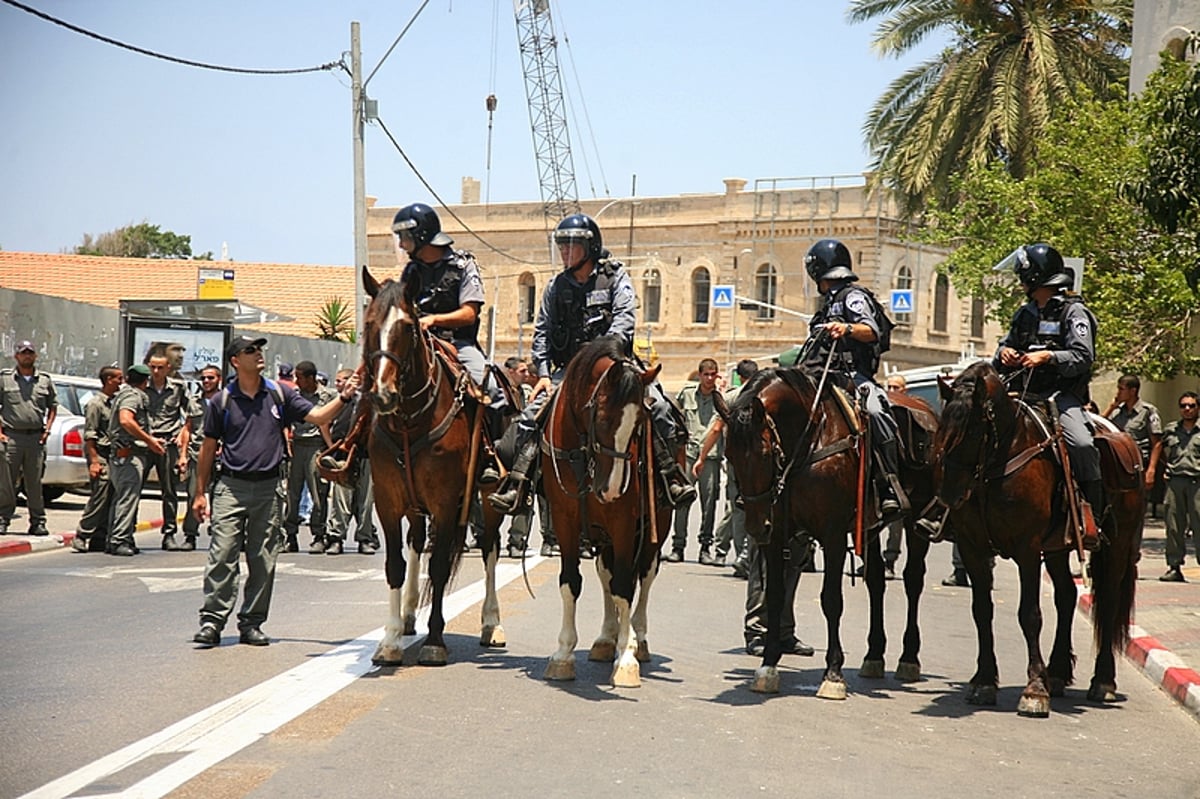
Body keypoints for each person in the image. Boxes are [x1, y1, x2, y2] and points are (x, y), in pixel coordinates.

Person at [489, 213, 696, 515]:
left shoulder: (614, 277)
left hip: (614, 368)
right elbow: (542, 332)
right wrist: (544, 375)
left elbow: (624, 321)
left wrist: (603, 360)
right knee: (530, 419)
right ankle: (518, 485)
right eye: (561, 246)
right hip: (568, 374)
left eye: (571, 246)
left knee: (661, 406)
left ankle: (670, 478)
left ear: (590, 247)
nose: (565, 252)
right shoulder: (555, 287)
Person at [191, 336, 360, 648]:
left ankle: (252, 623)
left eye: (259, 350)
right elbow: (208, 447)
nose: (258, 355)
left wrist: (345, 397)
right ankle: (212, 622)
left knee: (263, 558)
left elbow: (319, 417)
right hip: (230, 486)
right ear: (235, 361)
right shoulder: (221, 402)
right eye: (250, 351)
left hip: (269, 488)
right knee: (221, 554)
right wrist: (200, 493)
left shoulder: (279, 394)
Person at [800, 239, 907, 522]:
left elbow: (870, 330)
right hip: (821, 377)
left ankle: (888, 486)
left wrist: (845, 327)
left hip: (854, 379)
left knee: (876, 411)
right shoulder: (825, 305)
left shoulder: (852, 296)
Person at [107, 364, 167, 556]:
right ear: (145, 381)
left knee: (122, 498)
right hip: (128, 456)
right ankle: (119, 540)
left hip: (125, 455)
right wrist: (149, 441)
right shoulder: (132, 396)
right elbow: (126, 420)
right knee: (127, 499)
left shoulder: (126, 393)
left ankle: (116, 537)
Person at [0, 340, 58, 536]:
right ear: (16, 356)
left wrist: (47, 430)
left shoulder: (44, 380)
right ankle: (3, 519)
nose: (27, 356)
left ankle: (38, 522)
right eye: (23, 353)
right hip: (12, 437)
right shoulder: (6, 379)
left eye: (30, 353)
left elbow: (53, 406)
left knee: (34, 483)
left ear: (35, 356)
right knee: (7, 483)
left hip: (35, 438)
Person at [668, 358, 723, 565]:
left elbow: (718, 429)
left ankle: (705, 547)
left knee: (709, 505)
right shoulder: (687, 394)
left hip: (710, 458)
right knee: (682, 501)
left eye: (713, 374)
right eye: (706, 374)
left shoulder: (721, 398)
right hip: (688, 455)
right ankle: (678, 546)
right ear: (699, 375)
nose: (710, 378)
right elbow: (676, 416)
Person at [711, 359, 759, 576]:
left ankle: (742, 556)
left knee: (738, 508)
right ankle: (750, 556)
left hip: (736, 463)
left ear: (739, 376)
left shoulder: (731, 397)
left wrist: (702, 456)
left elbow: (716, 428)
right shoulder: (767, 394)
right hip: (760, 461)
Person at [284, 361, 337, 554]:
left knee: (318, 493)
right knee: (292, 494)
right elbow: (286, 421)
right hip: (297, 446)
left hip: (316, 447)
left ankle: (319, 535)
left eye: (300, 377)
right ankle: (290, 535)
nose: (297, 381)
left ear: (311, 378)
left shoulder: (329, 396)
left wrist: (331, 448)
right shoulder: (295, 396)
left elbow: (335, 421)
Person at [325, 368, 379, 555]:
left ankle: (365, 538)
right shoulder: (341, 400)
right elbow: (325, 422)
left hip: (366, 456)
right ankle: (336, 538)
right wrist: (332, 447)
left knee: (366, 501)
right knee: (341, 500)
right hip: (343, 456)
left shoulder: (372, 402)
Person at [72, 366, 124, 552]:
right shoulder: (96, 404)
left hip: (113, 455)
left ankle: (99, 537)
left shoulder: (115, 402)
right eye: (118, 378)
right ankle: (82, 533)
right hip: (99, 453)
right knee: (100, 495)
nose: (121, 382)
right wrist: (94, 461)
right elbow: (90, 435)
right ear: (109, 380)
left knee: (111, 495)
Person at [144, 352, 192, 550]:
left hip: (167, 443)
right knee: (134, 488)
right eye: (153, 367)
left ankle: (169, 533)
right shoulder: (141, 387)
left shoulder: (178, 389)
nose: (156, 371)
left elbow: (190, 413)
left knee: (169, 491)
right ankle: (125, 532)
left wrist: (181, 433)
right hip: (145, 442)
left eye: (160, 368)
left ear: (168, 369)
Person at [180, 363, 224, 550]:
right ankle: (190, 535)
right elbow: (187, 428)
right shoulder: (194, 402)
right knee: (194, 494)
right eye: (203, 378)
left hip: (222, 456)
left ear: (219, 379)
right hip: (197, 453)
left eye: (210, 378)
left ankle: (218, 533)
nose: (206, 381)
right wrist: (183, 455)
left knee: (220, 497)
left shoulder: (227, 401)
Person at [1159, 391, 1200, 582]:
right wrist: (1162, 468)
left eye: (1191, 405)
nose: (1187, 409)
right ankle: (1174, 566)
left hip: (1197, 483)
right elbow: (1159, 447)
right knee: (1174, 525)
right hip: (1175, 482)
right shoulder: (1171, 429)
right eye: (1183, 405)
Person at [1104, 374, 1162, 494]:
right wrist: (1111, 408)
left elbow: (1157, 443)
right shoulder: (1117, 412)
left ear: (1132, 391)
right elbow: (1099, 426)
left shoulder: (1148, 411)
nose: (1118, 393)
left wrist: (1151, 470)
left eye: (1121, 389)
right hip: (1119, 464)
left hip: (1139, 463)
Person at [881, 372, 909, 580]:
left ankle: (890, 560)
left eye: (896, 388)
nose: (891, 392)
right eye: (889, 387)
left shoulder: (908, 412)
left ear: (904, 390)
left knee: (896, 525)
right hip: (886, 475)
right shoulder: (883, 407)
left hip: (905, 478)